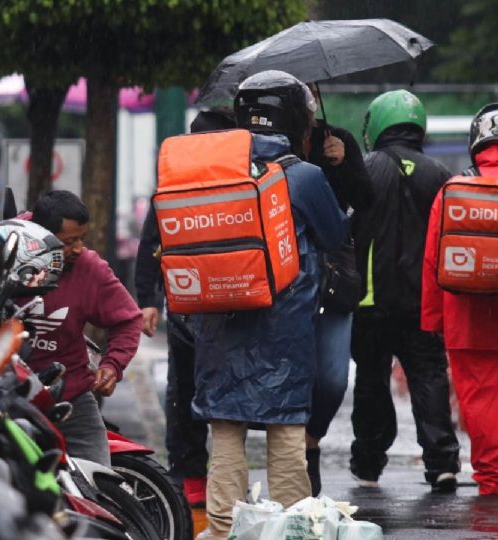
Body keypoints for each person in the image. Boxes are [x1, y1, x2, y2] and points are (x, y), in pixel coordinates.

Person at [193, 71, 347, 539]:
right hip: (285, 331)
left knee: (225, 431)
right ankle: (289, 527)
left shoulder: (216, 169)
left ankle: (222, 531)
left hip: (220, 323)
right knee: (285, 435)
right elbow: (335, 236)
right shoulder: (303, 176)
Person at [0, 191, 143, 466]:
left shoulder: (89, 268)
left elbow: (128, 319)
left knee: (97, 479)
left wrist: (113, 364)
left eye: (82, 238)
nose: (79, 248)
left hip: (70, 396)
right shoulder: (1, 247)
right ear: (39, 236)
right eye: (69, 242)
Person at [421, 103, 498, 496]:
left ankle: (490, 478)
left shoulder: (451, 189)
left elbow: (432, 260)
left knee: (481, 395)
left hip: (468, 315)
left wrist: (435, 320)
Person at [349, 89, 461, 493]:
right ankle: (442, 462)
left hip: (370, 301)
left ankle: (368, 461)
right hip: (423, 302)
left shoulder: (363, 168)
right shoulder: (440, 175)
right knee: (429, 376)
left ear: (376, 124)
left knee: (371, 379)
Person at [134, 110, 234, 508]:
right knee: (220, 387)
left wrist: (149, 300)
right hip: (230, 305)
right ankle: (217, 475)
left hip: (187, 305)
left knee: (185, 388)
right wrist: (147, 300)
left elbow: (149, 245)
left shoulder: (174, 186)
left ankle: (193, 474)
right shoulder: (241, 182)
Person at [303, 82, 374, 496]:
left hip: (334, 279)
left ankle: (312, 438)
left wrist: (343, 163)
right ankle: (298, 459)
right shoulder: (266, 147)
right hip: (286, 281)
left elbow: (366, 200)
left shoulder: (338, 139)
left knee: (331, 379)